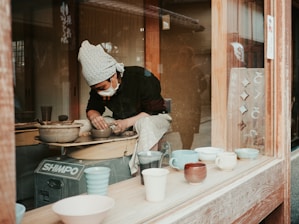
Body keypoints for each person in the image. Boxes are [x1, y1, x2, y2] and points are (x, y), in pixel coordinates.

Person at [78, 40, 172, 175]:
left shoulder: (141, 77)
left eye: (101, 88)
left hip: (153, 117)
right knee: (85, 124)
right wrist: (94, 116)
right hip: (122, 121)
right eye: (95, 89)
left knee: (145, 124)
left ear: (114, 75)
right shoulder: (98, 86)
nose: (99, 92)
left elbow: (153, 111)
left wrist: (126, 123)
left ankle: (144, 172)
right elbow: (93, 108)